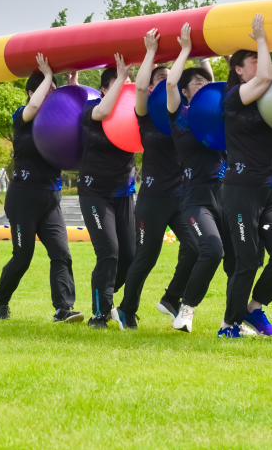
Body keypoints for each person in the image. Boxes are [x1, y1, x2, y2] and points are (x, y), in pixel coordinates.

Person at [217, 14, 272, 339]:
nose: (264, 64)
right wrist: (261, 38)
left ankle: (253, 308)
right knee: (248, 260)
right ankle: (229, 324)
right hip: (241, 191)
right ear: (238, 69)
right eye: (254, 59)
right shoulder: (233, 97)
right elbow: (264, 77)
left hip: (270, 191)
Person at [0, 54, 82, 324]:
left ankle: (63, 309)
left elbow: (77, 110)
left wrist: (73, 83)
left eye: (54, 90)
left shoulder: (58, 119)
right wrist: (47, 76)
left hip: (50, 198)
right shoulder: (22, 117)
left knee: (61, 254)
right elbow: (33, 106)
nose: (53, 93)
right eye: (47, 89)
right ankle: (1, 301)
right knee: (23, 257)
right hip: (23, 198)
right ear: (33, 92)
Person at [115, 31, 193, 330]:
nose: (166, 79)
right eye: (160, 77)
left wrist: (195, 54)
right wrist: (150, 52)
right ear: (150, 85)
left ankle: (172, 298)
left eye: (170, 76)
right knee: (146, 257)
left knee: (197, 248)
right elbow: (139, 88)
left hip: (182, 196)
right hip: (153, 198)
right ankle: (126, 310)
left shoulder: (183, 114)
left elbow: (206, 88)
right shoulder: (145, 114)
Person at [159, 25, 231, 334]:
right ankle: (185, 310)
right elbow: (171, 82)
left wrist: (214, 57)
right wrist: (187, 49)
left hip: (226, 194)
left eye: (206, 82)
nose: (204, 86)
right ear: (186, 91)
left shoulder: (218, 115)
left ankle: (234, 319)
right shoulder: (179, 115)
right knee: (212, 250)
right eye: (197, 83)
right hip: (196, 197)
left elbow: (220, 88)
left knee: (240, 258)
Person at [79, 55, 137, 329]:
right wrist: (123, 73)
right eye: (118, 83)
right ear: (103, 89)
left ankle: (107, 296)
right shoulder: (91, 108)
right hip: (95, 192)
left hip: (123, 191)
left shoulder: (135, 110)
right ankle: (99, 313)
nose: (126, 87)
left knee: (130, 255)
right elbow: (103, 113)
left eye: (128, 82)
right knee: (109, 251)